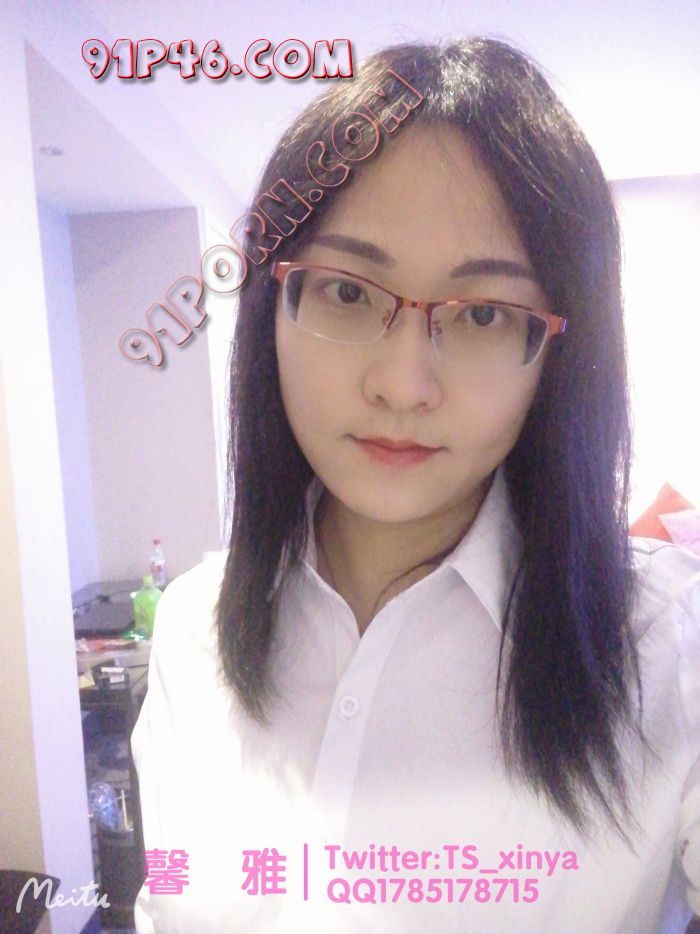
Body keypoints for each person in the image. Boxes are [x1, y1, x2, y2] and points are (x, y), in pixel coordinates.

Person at [130, 36, 700, 933]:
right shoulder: (193, 629)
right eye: (348, 293)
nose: (402, 385)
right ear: (273, 308)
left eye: (483, 314)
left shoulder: (669, 649)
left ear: (557, 354)